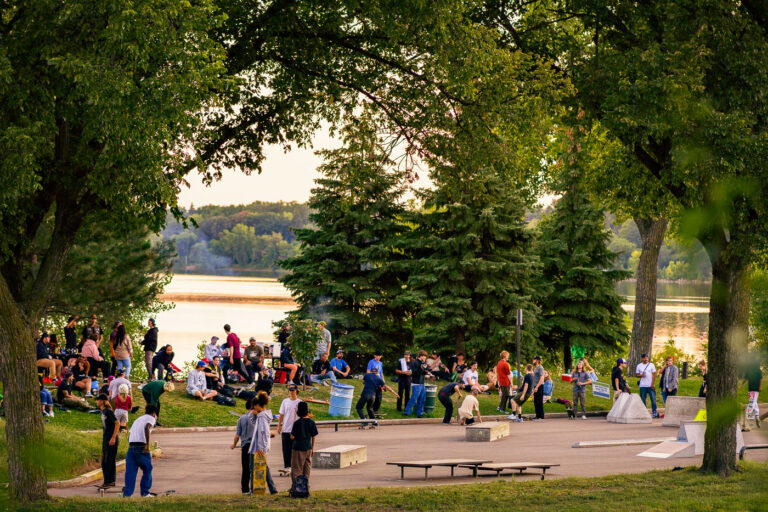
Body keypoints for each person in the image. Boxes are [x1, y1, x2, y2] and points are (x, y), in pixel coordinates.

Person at [123, 405, 157, 497]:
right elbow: (147, 427)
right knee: (147, 469)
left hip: (131, 447)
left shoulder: (138, 419)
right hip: (141, 447)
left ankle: (127, 495)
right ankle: (145, 493)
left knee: (130, 472)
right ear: (154, 413)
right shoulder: (151, 418)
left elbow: (131, 434)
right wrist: (146, 445)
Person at [248, 391, 278, 495]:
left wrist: (261, 447)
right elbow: (252, 423)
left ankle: (254, 490)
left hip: (258, 447)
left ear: (257, 405)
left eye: (254, 406)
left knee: (253, 468)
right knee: (264, 467)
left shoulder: (262, 418)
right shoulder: (261, 415)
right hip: (258, 446)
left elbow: (264, 433)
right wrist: (253, 415)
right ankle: (272, 489)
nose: (253, 409)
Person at [290, 401, 318, 492]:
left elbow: (292, 436)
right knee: (307, 468)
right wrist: (312, 449)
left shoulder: (297, 423)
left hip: (298, 448)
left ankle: (297, 488)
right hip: (308, 447)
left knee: (296, 468)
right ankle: (305, 487)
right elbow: (314, 436)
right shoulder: (311, 422)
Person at [232, 399, 256, 494]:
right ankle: (254, 488)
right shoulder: (255, 418)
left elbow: (237, 436)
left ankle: (244, 489)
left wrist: (234, 445)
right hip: (254, 445)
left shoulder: (241, 419)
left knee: (245, 468)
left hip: (245, 446)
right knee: (254, 467)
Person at [96, 394, 120, 490]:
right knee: (105, 461)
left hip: (111, 440)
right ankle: (109, 481)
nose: (96, 401)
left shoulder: (108, 411)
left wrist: (113, 438)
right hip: (106, 439)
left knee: (108, 461)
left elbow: (117, 424)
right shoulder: (102, 411)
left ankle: (109, 481)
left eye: (98, 400)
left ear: (102, 401)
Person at [277, 385, 301, 474]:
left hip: (295, 430)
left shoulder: (299, 402)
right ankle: (287, 466)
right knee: (286, 449)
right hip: (286, 429)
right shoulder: (285, 401)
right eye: (290, 391)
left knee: (295, 449)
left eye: (293, 391)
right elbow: (281, 414)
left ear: (296, 391)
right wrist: (279, 425)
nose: (291, 392)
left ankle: (295, 466)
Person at [404, 350, 432, 418]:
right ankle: (406, 412)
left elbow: (425, 370)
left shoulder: (423, 362)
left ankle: (420, 413)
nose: (425, 358)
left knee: (422, 399)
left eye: (425, 356)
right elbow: (416, 372)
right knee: (414, 398)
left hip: (422, 383)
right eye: (424, 356)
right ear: (420, 356)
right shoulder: (415, 362)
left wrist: (426, 371)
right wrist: (423, 370)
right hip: (416, 383)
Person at [741, 358, 763, 431]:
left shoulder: (758, 371)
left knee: (751, 403)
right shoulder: (750, 371)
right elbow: (745, 378)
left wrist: (760, 386)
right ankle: (756, 416)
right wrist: (741, 384)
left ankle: (747, 422)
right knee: (753, 403)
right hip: (752, 390)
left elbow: (760, 379)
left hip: (755, 389)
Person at [635, 353, 659, 418]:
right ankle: (644, 412)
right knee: (643, 399)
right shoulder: (639, 366)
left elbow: (654, 375)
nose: (646, 359)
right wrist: (641, 375)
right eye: (644, 358)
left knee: (653, 399)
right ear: (642, 358)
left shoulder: (651, 365)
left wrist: (652, 384)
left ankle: (654, 412)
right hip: (642, 385)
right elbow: (637, 375)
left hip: (650, 385)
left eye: (647, 358)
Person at [366, 349, 385, 414]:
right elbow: (368, 372)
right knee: (373, 397)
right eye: (377, 355)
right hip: (373, 381)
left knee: (379, 398)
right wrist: (374, 373)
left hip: (379, 382)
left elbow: (381, 373)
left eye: (379, 356)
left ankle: (376, 410)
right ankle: (371, 409)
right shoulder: (371, 362)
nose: (378, 357)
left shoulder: (380, 363)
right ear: (374, 356)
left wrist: (383, 382)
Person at [531, 356, 546, 420]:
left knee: (539, 401)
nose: (533, 360)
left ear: (537, 360)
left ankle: (541, 416)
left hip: (539, 386)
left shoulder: (540, 368)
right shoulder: (536, 368)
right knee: (536, 402)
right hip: (535, 386)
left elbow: (542, 378)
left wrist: (537, 387)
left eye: (534, 359)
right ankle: (537, 415)